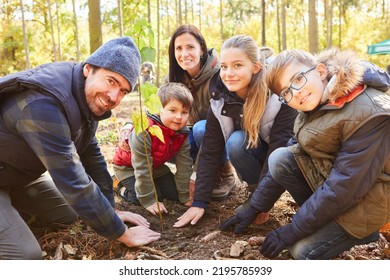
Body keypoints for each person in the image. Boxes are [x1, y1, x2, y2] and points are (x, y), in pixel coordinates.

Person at [0, 37, 161, 260]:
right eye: (111, 81)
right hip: (7, 173)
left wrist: (110, 208)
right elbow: (73, 181)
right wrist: (122, 233)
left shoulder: (83, 95)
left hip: (14, 176)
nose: (114, 97)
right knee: (24, 254)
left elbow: (91, 153)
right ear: (89, 68)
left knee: (72, 214)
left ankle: (12, 215)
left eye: (123, 91)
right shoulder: (43, 105)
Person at [222, 47, 390, 260]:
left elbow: (344, 186)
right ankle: (322, 220)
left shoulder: (370, 112)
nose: (295, 92)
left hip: (374, 198)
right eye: (285, 92)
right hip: (340, 188)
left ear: (320, 71)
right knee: (281, 158)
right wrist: (255, 206)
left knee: (302, 252)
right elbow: (295, 149)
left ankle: (365, 232)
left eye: (298, 79)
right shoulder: (317, 101)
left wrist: (291, 231)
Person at [173, 35, 298, 228]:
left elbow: (279, 151)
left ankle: (261, 197)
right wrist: (199, 201)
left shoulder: (278, 94)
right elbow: (210, 149)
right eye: (224, 66)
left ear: (255, 67)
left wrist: (260, 204)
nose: (228, 73)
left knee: (241, 143)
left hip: (280, 158)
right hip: (252, 152)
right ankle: (254, 188)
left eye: (237, 66)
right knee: (236, 142)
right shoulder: (220, 95)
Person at [165, 24, 240, 200]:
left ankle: (225, 173)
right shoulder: (172, 79)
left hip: (221, 133)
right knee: (172, 139)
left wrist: (197, 174)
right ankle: (195, 173)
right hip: (193, 132)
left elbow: (222, 123)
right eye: (179, 48)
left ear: (201, 49)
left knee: (201, 129)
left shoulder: (219, 74)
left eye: (190, 47)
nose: (184, 54)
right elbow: (159, 111)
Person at [112, 82, 194, 215]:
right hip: (128, 168)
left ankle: (156, 187)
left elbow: (184, 165)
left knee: (174, 195)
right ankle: (118, 185)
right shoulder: (145, 130)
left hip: (156, 168)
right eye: (172, 110)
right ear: (158, 109)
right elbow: (142, 167)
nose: (179, 117)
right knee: (142, 198)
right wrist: (149, 200)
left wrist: (185, 196)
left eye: (184, 112)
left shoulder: (182, 133)